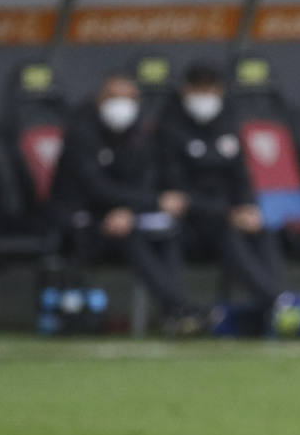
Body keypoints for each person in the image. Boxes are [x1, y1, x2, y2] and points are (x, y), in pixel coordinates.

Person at [50, 72, 204, 334]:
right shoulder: (80, 133)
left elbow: (145, 180)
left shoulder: (140, 135)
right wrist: (146, 204)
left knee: (168, 230)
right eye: (114, 97)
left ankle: (175, 311)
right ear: (99, 99)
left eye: (129, 98)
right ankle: (180, 309)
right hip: (81, 223)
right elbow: (95, 188)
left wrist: (130, 211)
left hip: (128, 218)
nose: (121, 105)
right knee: (129, 234)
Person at [157, 61, 287, 316]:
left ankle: (278, 298)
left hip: (230, 213)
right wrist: (227, 213)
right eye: (200, 91)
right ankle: (277, 303)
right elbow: (174, 192)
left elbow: (240, 174)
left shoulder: (227, 122)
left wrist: (247, 206)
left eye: (212, 91)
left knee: (262, 229)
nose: (207, 98)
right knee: (229, 232)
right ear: (186, 90)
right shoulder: (168, 128)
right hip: (192, 221)